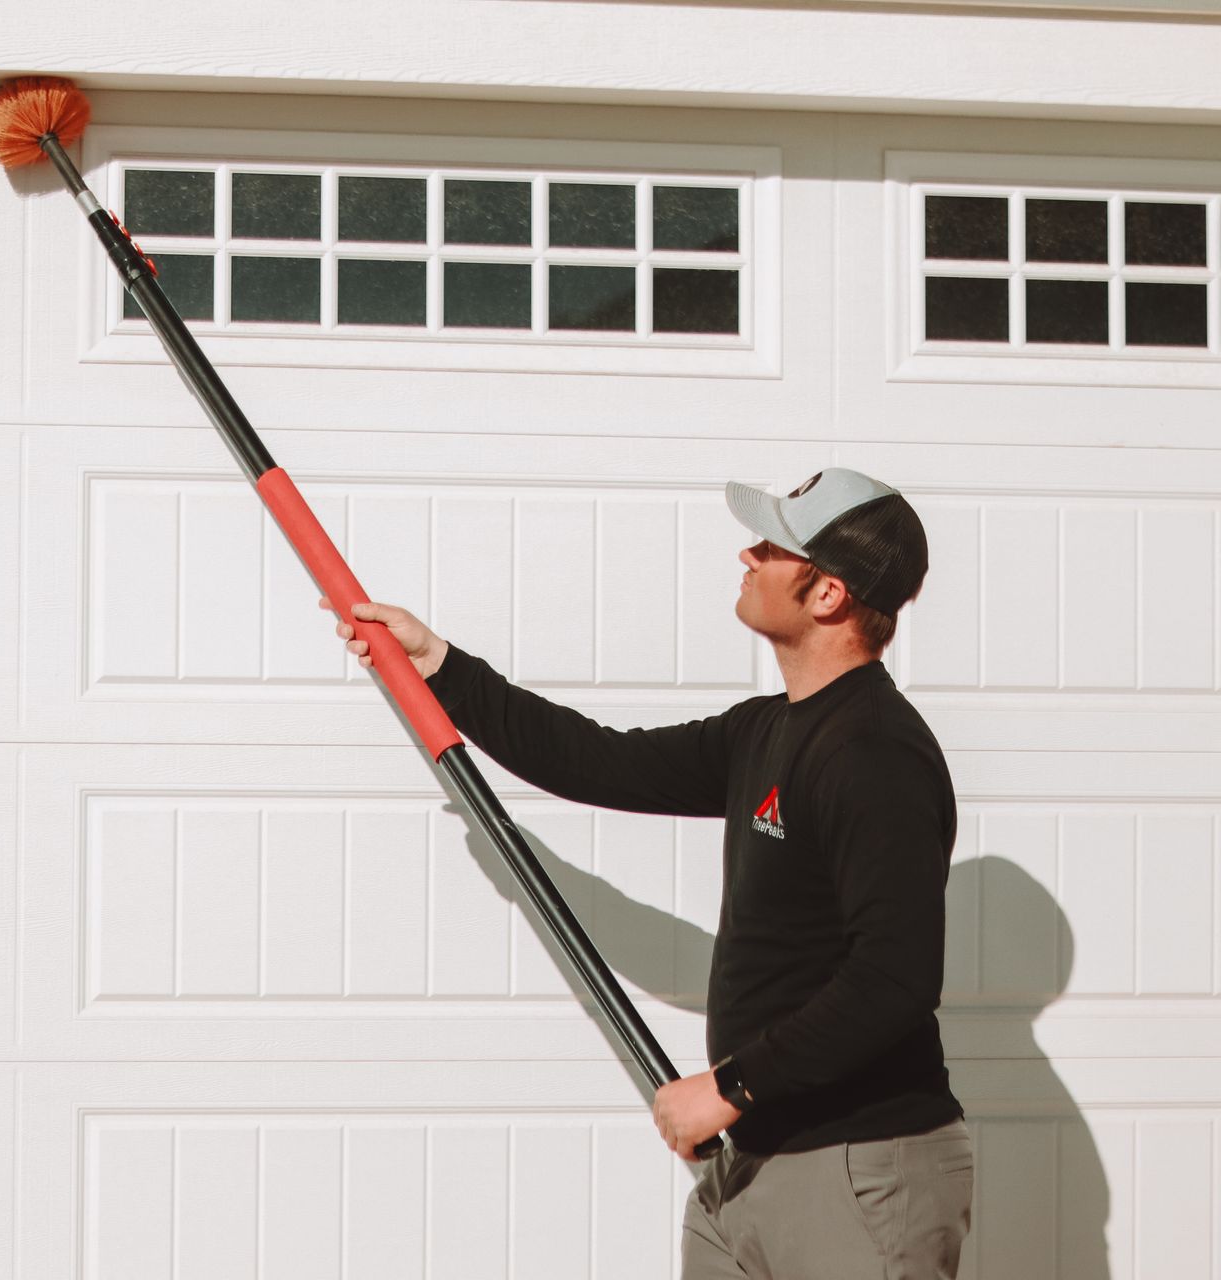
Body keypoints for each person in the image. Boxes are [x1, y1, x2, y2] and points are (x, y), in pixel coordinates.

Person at [332, 468, 972, 1279]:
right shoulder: (767, 730)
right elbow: (604, 761)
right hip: (753, 1164)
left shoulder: (875, 752)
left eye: (774, 546)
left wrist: (731, 1085)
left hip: (859, 1169)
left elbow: (896, 976)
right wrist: (444, 667)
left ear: (828, 595)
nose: (747, 552)